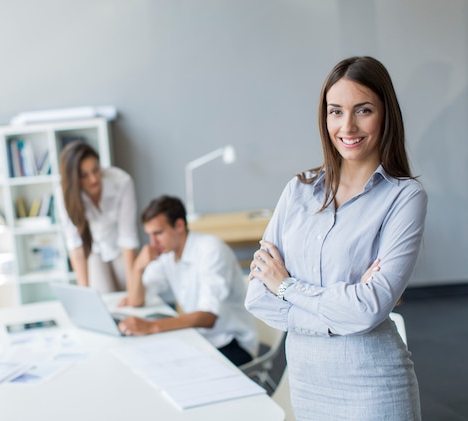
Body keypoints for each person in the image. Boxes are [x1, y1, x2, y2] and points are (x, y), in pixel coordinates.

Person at [245, 56, 427, 420]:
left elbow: (370, 308)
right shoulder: (298, 191)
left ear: (385, 114)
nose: (347, 125)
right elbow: (256, 298)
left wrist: (286, 287)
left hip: (374, 386)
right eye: (335, 111)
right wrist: (342, 312)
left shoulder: (405, 197)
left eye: (363, 110)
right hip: (307, 384)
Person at [118, 195, 258, 366]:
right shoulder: (166, 253)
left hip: (231, 343)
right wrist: (138, 267)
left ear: (179, 225)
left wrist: (151, 326)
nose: (153, 243)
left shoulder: (211, 250)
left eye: (158, 233)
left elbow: (208, 317)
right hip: (198, 336)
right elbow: (136, 300)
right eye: (149, 235)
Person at [59, 141, 139, 293]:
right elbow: (75, 245)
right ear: (74, 179)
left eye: (96, 170)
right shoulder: (64, 194)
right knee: (101, 296)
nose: (94, 179)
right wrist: (84, 292)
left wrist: (133, 290)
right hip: (93, 251)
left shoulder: (122, 181)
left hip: (120, 248)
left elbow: (128, 236)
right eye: (84, 175)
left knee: (131, 290)